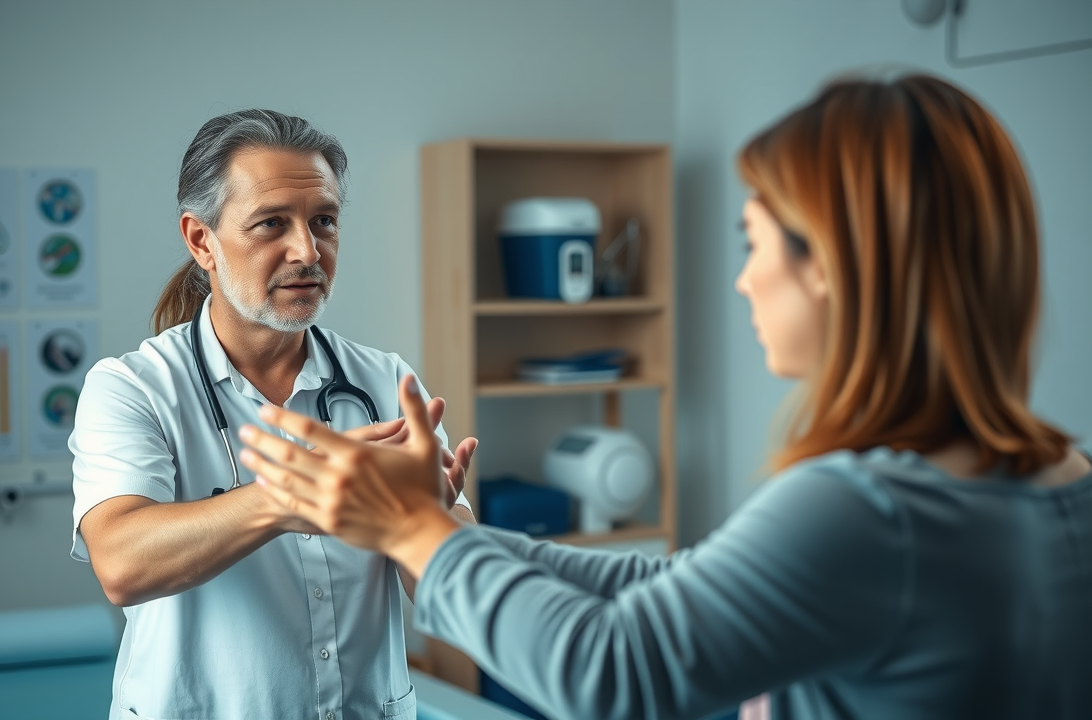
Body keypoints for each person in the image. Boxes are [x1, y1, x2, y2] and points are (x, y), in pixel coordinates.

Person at [236, 75, 1092, 720]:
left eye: (755, 243)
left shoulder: (869, 510)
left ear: (832, 267)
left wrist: (408, 530)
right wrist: (453, 530)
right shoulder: (1063, 476)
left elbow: (614, 671)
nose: (743, 279)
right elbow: (677, 585)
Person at [68, 109, 476, 720]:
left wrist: (431, 525)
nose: (308, 250)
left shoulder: (387, 384)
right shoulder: (133, 388)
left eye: (324, 221)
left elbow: (460, 604)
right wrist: (292, 496)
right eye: (271, 223)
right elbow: (122, 563)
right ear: (201, 240)